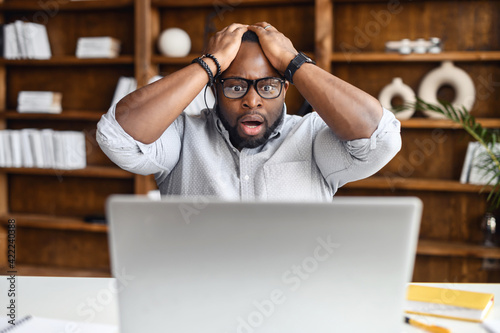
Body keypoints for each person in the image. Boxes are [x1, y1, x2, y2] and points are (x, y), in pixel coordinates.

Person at [97, 22, 401, 201]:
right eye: (235, 86)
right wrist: (210, 63)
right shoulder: (181, 136)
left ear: (286, 87)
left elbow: (381, 138)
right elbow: (117, 136)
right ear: (214, 88)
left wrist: (292, 62)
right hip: (198, 297)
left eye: (268, 86)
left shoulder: (311, 137)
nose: (252, 101)